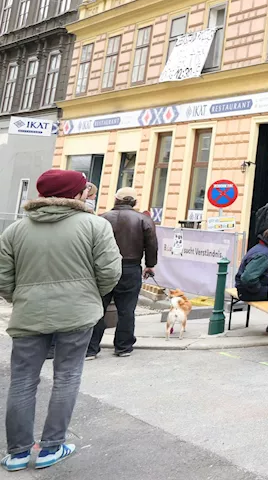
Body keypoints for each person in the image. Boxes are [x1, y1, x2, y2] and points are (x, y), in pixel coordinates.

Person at [0, 169, 121, 471]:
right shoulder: (95, 226)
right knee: (66, 377)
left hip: (29, 315)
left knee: (23, 381)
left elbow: (3, 278)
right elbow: (110, 272)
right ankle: (51, 447)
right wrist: (91, 295)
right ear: (77, 195)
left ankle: (17, 453)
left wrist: (21, 298)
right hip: (78, 314)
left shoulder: (16, 230)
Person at [87, 188, 157, 359]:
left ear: (116, 199)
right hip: (130, 267)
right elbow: (152, 245)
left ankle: (91, 348)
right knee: (127, 309)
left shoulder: (101, 218)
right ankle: (123, 346)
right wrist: (149, 265)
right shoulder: (143, 219)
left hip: (102, 267)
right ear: (134, 202)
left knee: (98, 308)